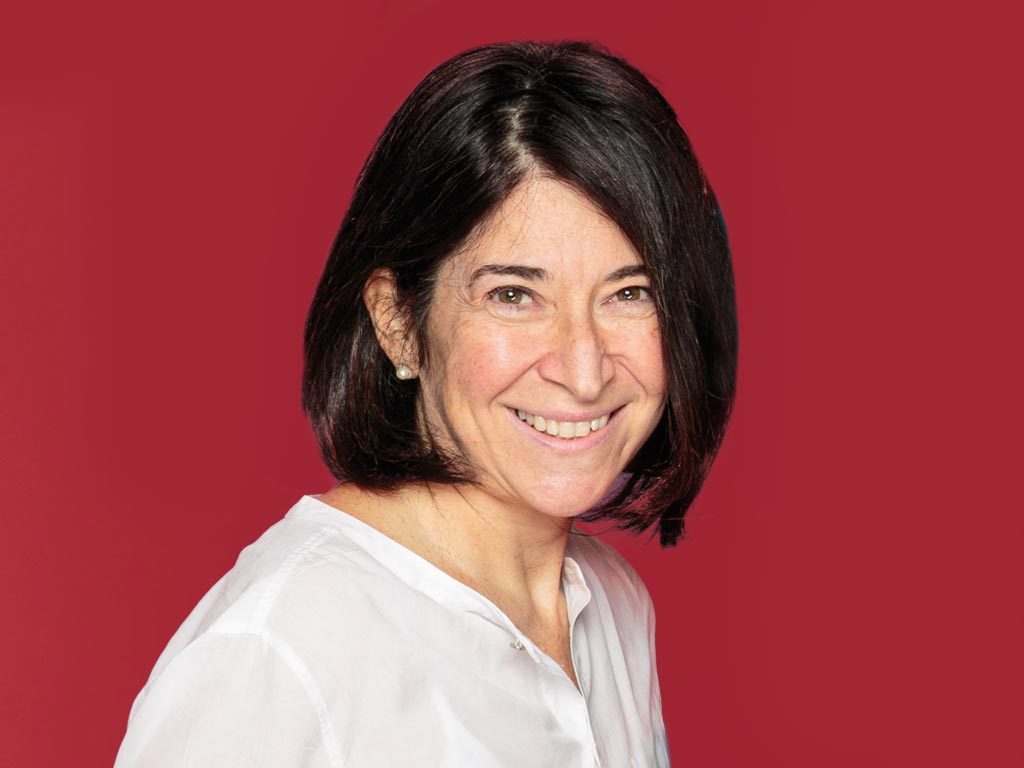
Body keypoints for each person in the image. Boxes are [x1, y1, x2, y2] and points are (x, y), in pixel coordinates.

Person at [114, 40, 737, 767]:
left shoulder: (614, 605)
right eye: (513, 295)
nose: (583, 370)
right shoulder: (276, 653)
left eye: (630, 293)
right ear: (398, 324)